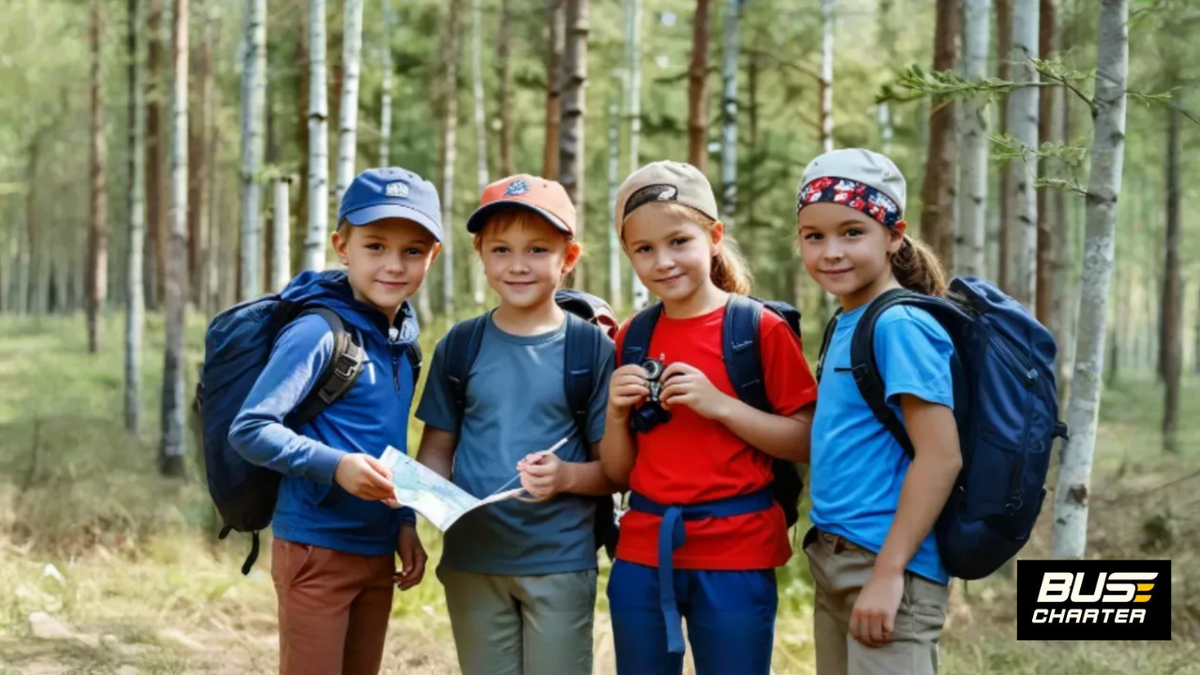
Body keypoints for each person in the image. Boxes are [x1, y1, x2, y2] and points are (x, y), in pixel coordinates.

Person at [601, 160, 817, 675]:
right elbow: (617, 472)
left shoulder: (756, 328)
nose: (663, 261)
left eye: (679, 241)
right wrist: (614, 412)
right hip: (643, 552)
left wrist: (721, 406)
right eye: (644, 249)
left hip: (736, 552)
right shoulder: (631, 336)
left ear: (714, 236)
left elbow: (807, 439)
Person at [229, 167, 442, 675]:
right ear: (341, 246)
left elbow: (388, 444)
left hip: (376, 550)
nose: (394, 265)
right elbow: (251, 429)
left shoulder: (403, 343)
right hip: (315, 548)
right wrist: (337, 465)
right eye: (375, 247)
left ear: (433, 256)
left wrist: (405, 522)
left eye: (413, 250)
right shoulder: (318, 332)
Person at [414, 174, 617, 675]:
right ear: (480, 254)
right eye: (501, 249)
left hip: (560, 563)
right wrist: (425, 502)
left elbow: (614, 470)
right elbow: (436, 448)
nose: (518, 265)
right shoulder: (460, 346)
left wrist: (566, 478)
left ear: (567, 258)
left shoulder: (592, 351)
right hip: (472, 561)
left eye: (537, 249)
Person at [796, 148, 962, 675]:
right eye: (814, 235)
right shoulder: (847, 323)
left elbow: (940, 458)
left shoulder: (899, 325)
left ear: (893, 235)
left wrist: (890, 573)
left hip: (889, 566)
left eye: (852, 232)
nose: (831, 252)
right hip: (836, 559)